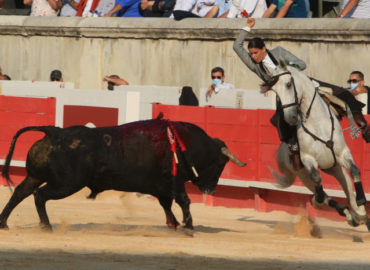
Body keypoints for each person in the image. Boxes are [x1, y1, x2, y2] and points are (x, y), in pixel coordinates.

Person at [233, 18, 369, 169]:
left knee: (341, 92)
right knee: (281, 120)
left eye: (255, 53)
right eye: (251, 54)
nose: (253, 57)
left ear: (264, 49)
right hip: (285, 96)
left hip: (303, 86)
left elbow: (302, 65)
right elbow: (237, 46)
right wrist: (247, 27)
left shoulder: (279, 52)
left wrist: (286, 67)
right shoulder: (254, 66)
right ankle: (294, 150)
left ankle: (362, 125)